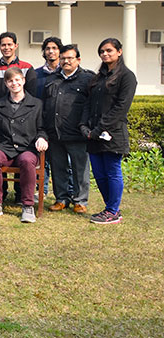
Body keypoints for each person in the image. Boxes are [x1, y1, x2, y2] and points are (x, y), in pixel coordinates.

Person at [79, 38, 137, 225]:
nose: (105, 54)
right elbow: (88, 103)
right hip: (93, 134)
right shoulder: (99, 77)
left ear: (119, 51)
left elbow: (121, 108)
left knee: (112, 172)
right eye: (102, 51)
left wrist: (100, 128)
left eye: (109, 50)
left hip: (112, 133)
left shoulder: (126, 77)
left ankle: (113, 211)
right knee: (99, 173)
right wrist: (85, 126)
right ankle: (109, 208)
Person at [0, 67, 48, 223]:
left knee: (26, 161)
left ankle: (27, 206)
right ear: (6, 83)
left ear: (23, 81)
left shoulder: (36, 104)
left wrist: (42, 138)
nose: (14, 83)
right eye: (11, 81)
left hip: (27, 148)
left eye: (18, 80)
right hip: (5, 147)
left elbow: (42, 129)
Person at [42, 44, 93, 214]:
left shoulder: (87, 79)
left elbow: (92, 106)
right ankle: (61, 198)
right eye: (63, 58)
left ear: (78, 60)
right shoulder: (52, 79)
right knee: (58, 168)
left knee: (80, 169)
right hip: (55, 133)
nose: (66, 61)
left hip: (77, 134)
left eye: (70, 58)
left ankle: (80, 200)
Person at [0, 31, 37, 120]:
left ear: (16, 46)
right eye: (3, 45)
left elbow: (32, 94)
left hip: (22, 116)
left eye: (9, 44)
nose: (6, 48)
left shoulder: (27, 68)